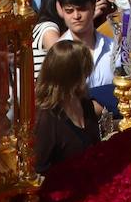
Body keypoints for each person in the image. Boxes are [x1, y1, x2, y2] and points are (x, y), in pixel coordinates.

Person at [34, 39, 100, 174]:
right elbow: (38, 170)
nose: (86, 77)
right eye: (83, 73)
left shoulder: (84, 103)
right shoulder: (46, 119)